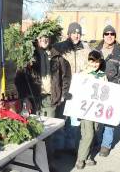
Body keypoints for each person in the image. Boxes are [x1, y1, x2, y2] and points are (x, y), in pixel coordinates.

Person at [14, 30, 71, 171]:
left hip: (51, 99)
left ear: (50, 39)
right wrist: (25, 97)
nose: (44, 40)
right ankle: (33, 163)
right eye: (41, 37)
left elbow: (66, 76)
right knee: (34, 131)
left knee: (49, 132)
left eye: (46, 37)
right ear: (36, 39)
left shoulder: (57, 56)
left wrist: (63, 93)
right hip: (35, 99)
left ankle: (48, 165)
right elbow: (20, 79)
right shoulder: (29, 56)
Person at [53, 22, 90, 153]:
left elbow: (91, 65)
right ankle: (58, 147)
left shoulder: (86, 49)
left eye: (78, 33)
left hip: (79, 89)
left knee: (74, 120)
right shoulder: (60, 47)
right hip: (64, 87)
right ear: (69, 34)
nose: (76, 35)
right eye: (73, 33)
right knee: (61, 118)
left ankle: (70, 146)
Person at [95, 25, 120, 157]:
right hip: (96, 91)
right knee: (96, 117)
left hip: (113, 90)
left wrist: (116, 89)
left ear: (115, 36)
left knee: (109, 118)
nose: (109, 36)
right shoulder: (96, 51)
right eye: (106, 33)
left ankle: (105, 145)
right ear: (103, 36)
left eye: (112, 34)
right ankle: (96, 141)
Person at [75, 50, 106, 169]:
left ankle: (88, 157)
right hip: (85, 110)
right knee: (88, 134)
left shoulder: (102, 76)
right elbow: (77, 92)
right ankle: (80, 159)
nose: (95, 64)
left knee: (95, 132)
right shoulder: (83, 75)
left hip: (97, 111)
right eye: (92, 61)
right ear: (88, 61)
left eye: (97, 62)